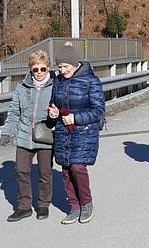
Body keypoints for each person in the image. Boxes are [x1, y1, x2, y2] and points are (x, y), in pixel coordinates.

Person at [47, 42, 105, 225]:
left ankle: (86, 203)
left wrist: (75, 118)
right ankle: (74, 206)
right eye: (60, 67)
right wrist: (54, 112)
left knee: (77, 167)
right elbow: (54, 103)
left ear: (75, 64)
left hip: (84, 131)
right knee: (65, 169)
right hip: (63, 130)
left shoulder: (91, 81)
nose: (62, 70)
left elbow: (98, 111)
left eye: (66, 66)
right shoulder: (58, 81)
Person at [0, 51, 54, 222]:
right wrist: (7, 132)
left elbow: (63, 108)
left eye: (43, 69)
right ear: (30, 69)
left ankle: (43, 205)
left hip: (45, 135)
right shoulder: (22, 87)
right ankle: (24, 207)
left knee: (45, 173)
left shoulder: (56, 86)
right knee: (21, 171)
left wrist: (56, 115)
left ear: (48, 68)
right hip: (24, 135)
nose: (39, 72)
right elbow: (14, 112)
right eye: (35, 69)